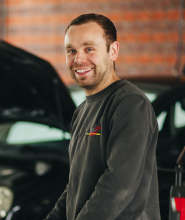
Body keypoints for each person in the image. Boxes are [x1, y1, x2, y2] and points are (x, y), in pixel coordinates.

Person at [45, 13, 160, 220]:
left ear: (113, 51)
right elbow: (76, 186)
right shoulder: (82, 111)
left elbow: (118, 184)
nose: (78, 59)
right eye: (71, 50)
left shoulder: (130, 103)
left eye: (89, 49)